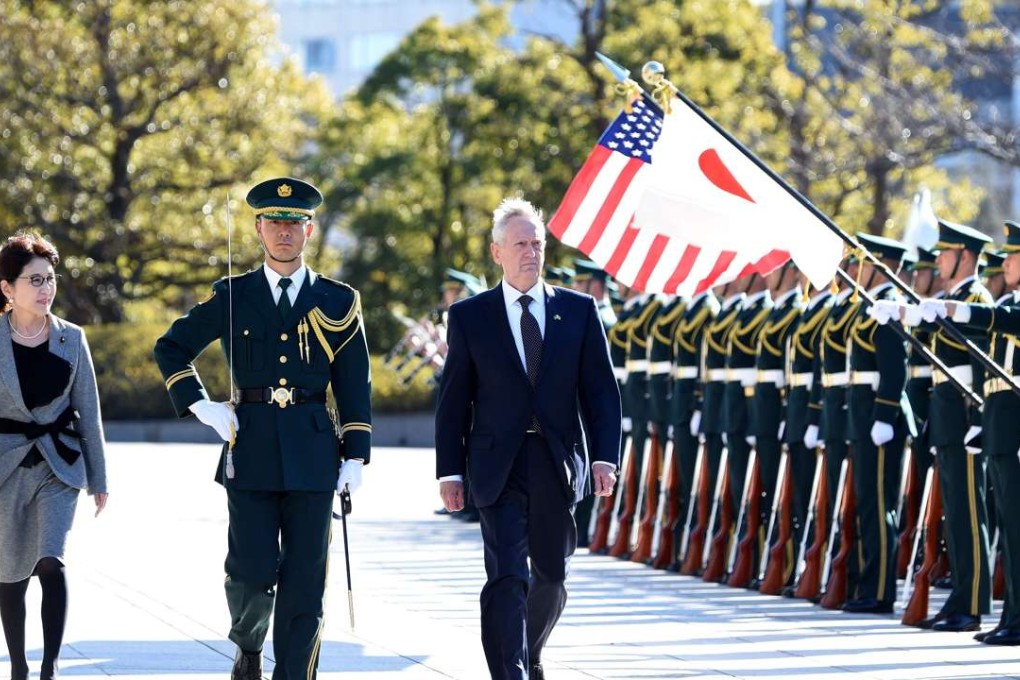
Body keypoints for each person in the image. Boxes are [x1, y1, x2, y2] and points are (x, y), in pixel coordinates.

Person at [153, 177, 371, 679]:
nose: (284, 232)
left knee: (304, 583)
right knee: (249, 575)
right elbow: (171, 347)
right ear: (258, 228)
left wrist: (355, 454)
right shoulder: (235, 295)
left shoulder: (338, 301)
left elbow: (355, 381)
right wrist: (199, 405)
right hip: (248, 450)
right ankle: (248, 645)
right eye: (274, 221)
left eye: (294, 223)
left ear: (310, 230)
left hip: (315, 453)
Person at [435, 196, 621, 680]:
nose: (531, 252)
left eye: (537, 243)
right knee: (506, 575)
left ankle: (530, 650)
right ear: (497, 252)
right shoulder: (471, 317)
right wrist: (450, 471)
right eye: (520, 243)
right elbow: (454, 400)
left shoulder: (578, 311)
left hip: (556, 462)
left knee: (552, 577)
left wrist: (604, 458)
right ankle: (510, 671)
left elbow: (601, 392)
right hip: (498, 464)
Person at [0, 233, 109, 680]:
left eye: (50, 279)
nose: (46, 289)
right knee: (10, 574)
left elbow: (90, 411)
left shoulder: (72, 338)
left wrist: (99, 479)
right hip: (6, 466)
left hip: (60, 464)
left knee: (50, 559)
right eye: (34, 280)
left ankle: (49, 665)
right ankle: (20, 666)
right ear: (8, 288)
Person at [843, 235, 910, 614]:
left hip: (879, 419)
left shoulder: (888, 308)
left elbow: (893, 369)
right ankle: (868, 583)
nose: (856, 270)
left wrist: (884, 415)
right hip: (864, 416)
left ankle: (881, 590)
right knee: (867, 502)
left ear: (879, 265)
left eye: (862, 263)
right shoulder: (869, 305)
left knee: (880, 504)